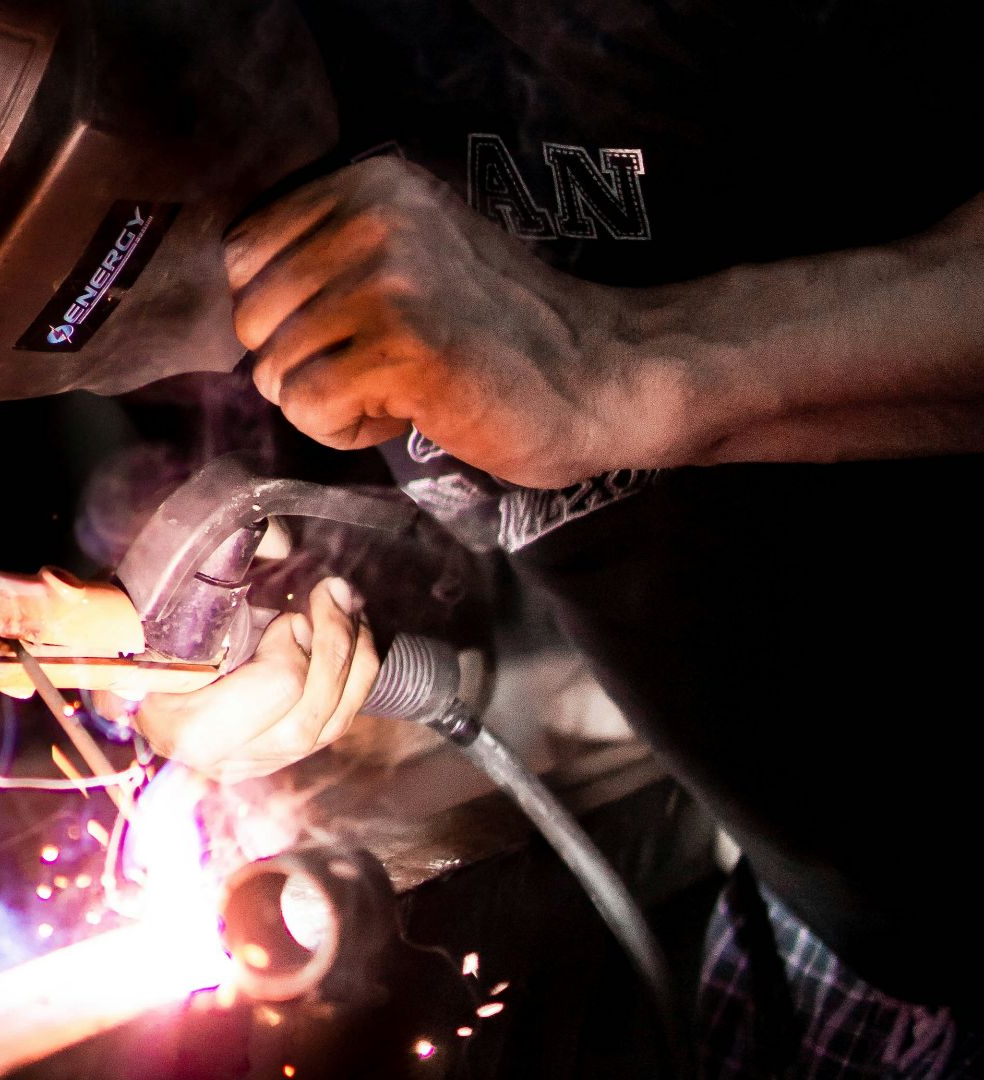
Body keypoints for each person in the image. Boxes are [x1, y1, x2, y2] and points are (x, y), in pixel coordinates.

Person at [111, 2, 984, 1076]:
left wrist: (621, 366)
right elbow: (469, 505)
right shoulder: (253, 72)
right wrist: (284, 608)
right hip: (829, 943)